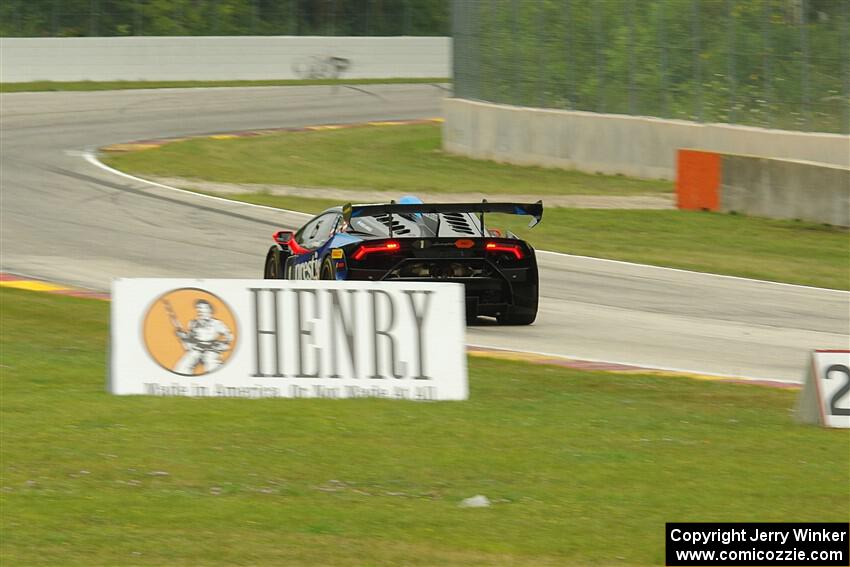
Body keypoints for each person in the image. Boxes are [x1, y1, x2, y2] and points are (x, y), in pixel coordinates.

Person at [173, 299, 233, 375]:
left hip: (211, 350)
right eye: (199, 308)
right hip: (197, 349)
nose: (201, 310)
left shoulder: (217, 323)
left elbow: (229, 336)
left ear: (210, 310)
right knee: (182, 367)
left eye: (204, 308)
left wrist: (222, 345)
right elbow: (190, 338)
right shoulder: (193, 323)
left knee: (213, 366)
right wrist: (182, 335)